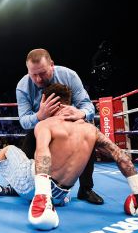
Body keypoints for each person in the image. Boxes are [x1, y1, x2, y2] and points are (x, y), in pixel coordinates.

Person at [0, 83, 138, 230]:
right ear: (69, 103)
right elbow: (121, 156)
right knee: (36, 168)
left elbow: (43, 153)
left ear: (48, 101)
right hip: (62, 196)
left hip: (37, 190)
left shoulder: (46, 124)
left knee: (8, 150)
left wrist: (42, 196)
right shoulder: (91, 130)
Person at [15, 48, 103, 204]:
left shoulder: (69, 76)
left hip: (71, 124)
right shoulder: (23, 86)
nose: (38, 79)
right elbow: (23, 120)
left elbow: (88, 105)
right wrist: (39, 116)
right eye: (33, 74)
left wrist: (79, 113)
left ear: (52, 65)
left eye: (42, 73)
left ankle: (86, 189)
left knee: (86, 136)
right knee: (29, 139)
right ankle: (21, 185)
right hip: (43, 126)